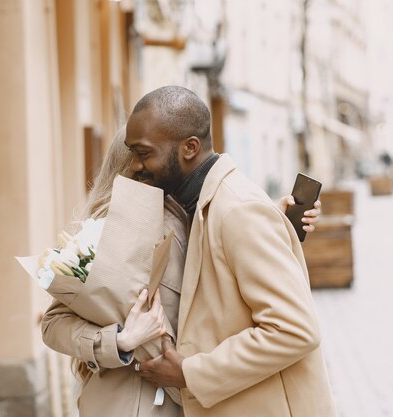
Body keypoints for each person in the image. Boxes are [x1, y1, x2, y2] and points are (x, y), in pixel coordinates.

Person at [41, 123, 322, 416]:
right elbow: (53, 323)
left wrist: (268, 220)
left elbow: (216, 276)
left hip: (194, 396)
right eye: (143, 157)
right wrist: (121, 340)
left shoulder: (192, 214)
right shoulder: (105, 232)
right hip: (134, 401)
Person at [126, 86, 337, 416]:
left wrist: (189, 373)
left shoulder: (238, 210)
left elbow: (296, 329)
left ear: (189, 148)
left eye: (143, 153)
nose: (135, 166)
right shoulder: (196, 204)